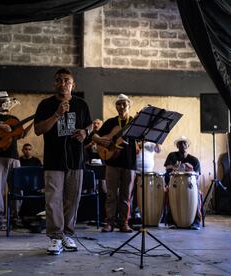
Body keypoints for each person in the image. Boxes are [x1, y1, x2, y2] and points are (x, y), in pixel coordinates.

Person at [34, 68, 92, 255]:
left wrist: (86, 132)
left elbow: (90, 124)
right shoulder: (45, 104)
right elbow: (38, 129)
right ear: (54, 84)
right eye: (58, 80)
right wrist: (57, 114)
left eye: (66, 80)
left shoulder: (81, 104)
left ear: (73, 85)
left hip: (76, 160)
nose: (62, 84)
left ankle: (68, 235)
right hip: (53, 160)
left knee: (72, 199)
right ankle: (55, 237)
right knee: (53, 200)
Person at [0, 91, 32, 231]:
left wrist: (32, 124)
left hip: (14, 157)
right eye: (3, 100)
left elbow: (21, 135)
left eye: (7, 100)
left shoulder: (14, 118)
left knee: (17, 189)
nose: (6, 102)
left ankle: (15, 218)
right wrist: (0, 126)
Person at [92, 94, 136, 233]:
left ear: (129, 105)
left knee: (125, 196)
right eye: (118, 104)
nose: (121, 106)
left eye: (124, 104)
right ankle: (109, 223)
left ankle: (124, 223)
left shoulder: (135, 122)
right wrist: (104, 142)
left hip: (129, 164)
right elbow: (96, 136)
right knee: (110, 195)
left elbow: (142, 139)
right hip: (112, 162)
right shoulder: (110, 122)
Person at [164, 135, 202, 230]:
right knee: (168, 194)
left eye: (184, 143)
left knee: (197, 194)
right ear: (177, 146)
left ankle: (195, 221)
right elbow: (167, 168)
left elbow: (197, 175)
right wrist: (174, 167)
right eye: (180, 143)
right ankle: (171, 221)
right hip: (173, 185)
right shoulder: (172, 156)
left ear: (188, 145)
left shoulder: (194, 160)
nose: (182, 145)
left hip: (190, 186)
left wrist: (191, 170)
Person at [130, 141, 161, 225]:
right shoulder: (134, 140)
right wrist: (139, 144)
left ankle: (140, 213)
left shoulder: (151, 142)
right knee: (131, 193)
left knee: (142, 194)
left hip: (147, 174)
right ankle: (129, 215)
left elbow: (158, 150)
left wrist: (157, 141)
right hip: (134, 171)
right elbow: (136, 151)